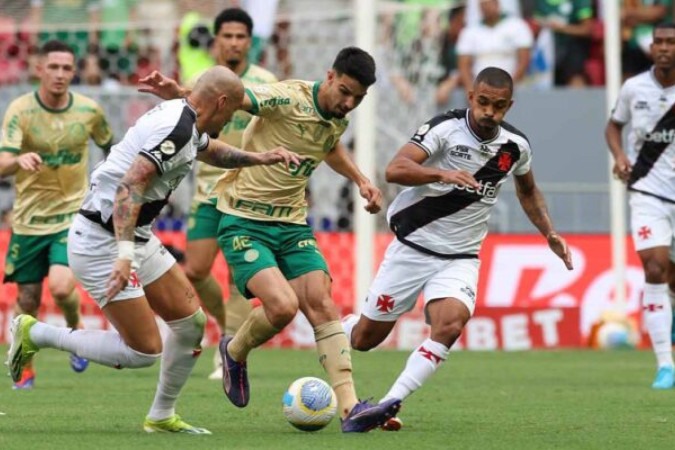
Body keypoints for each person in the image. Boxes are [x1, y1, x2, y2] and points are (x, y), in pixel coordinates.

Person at [7, 65, 301, 434]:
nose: (233, 119)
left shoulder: (187, 120)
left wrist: (258, 158)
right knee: (143, 351)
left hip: (133, 235)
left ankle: (161, 416)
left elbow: (210, 150)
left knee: (190, 324)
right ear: (222, 102)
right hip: (104, 241)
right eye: (234, 111)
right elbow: (129, 186)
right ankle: (36, 333)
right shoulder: (177, 127)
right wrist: (125, 254)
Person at [138, 46, 401, 432]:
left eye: (357, 98)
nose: (348, 103)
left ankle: (351, 409)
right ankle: (234, 349)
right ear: (329, 76)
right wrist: (180, 93)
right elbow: (228, 98)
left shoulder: (336, 117)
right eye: (344, 92)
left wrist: (361, 179)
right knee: (281, 307)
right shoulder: (285, 96)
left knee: (322, 304)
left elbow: (328, 145)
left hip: (293, 224)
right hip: (244, 220)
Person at [341, 66, 573, 430]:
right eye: (483, 103)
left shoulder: (515, 147)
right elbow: (395, 169)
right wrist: (442, 173)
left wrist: (549, 232)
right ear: (470, 97)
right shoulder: (444, 129)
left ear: (508, 106)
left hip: (461, 256)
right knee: (364, 340)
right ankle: (342, 327)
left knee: (449, 325)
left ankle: (388, 403)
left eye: (498, 106)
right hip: (414, 245)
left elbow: (527, 191)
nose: (489, 112)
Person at [0, 40, 114, 389]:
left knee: (63, 287)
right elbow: (2, 162)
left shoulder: (90, 110)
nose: (60, 74)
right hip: (28, 221)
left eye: (67, 68)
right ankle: (26, 365)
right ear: (39, 69)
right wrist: (18, 160)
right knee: (28, 300)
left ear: (74, 71)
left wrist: (107, 188)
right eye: (54, 67)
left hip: (72, 217)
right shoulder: (20, 110)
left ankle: (76, 330)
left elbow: (112, 147)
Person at [183, 7, 278, 381]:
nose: (234, 42)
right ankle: (227, 324)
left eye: (241, 36)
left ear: (249, 42)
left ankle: (227, 349)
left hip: (249, 191)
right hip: (207, 189)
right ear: (217, 40)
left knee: (240, 275)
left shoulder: (266, 82)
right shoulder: (199, 81)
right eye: (228, 36)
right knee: (196, 269)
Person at [605, 22, 675, 389]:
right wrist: (619, 157)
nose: (663, 48)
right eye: (659, 42)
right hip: (647, 190)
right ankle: (665, 364)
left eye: (671, 42)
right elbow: (613, 126)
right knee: (654, 266)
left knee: (671, 276)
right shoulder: (634, 87)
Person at [457, 0, 533, 90]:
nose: (486, 8)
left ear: (497, 4)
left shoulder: (518, 26)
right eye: (482, 5)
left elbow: (524, 59)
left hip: (513, 88)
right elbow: (464, 64)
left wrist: (510, 86)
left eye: (489, 4)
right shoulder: (469, 32)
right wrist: (470, 89)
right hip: (480, 90)